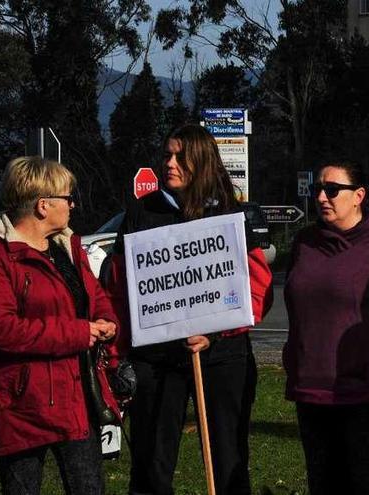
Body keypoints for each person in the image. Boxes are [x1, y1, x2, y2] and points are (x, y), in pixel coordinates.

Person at [105, 124, 273, 495]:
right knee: (151, 462)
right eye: (166, 154)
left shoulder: (230, 215)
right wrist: (118, 353)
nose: (170, 163)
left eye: (181, 156)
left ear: (203, 161)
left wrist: (213, 332)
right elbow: (118, 290)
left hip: (222, 357)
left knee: (227, 458)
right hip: (157, 359)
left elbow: (256, 291)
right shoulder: (140, 215)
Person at [0, 156, 119, 494]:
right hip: (20, 407)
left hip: (76, 397)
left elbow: (94, 294)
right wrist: (79, 333)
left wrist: (107, 320)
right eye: (67, 197)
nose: (73, 204)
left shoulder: (67, 247)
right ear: (43, 205)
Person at [282, 161, 369, 495]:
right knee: (323, 484)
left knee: (366, 484)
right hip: (312, 394)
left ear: (358, 195)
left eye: (332, 190)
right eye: (318, 189)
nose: (321, 197)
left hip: (366, 396)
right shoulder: (305, 243)